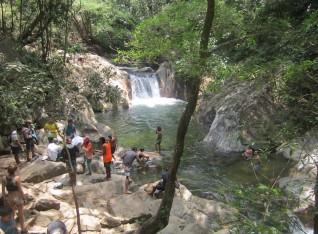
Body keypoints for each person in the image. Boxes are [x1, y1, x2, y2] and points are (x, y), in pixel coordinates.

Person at [1, 164, 27, 233]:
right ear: (14, 171)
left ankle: (15, 228)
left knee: (12, 214)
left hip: (9, 197)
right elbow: (20, 189)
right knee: (21, 214)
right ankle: (22, 229)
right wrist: (24, 198)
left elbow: (3, 191)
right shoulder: (17, 178)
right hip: (17, 197)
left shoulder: (4, 178)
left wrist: (4, 199)